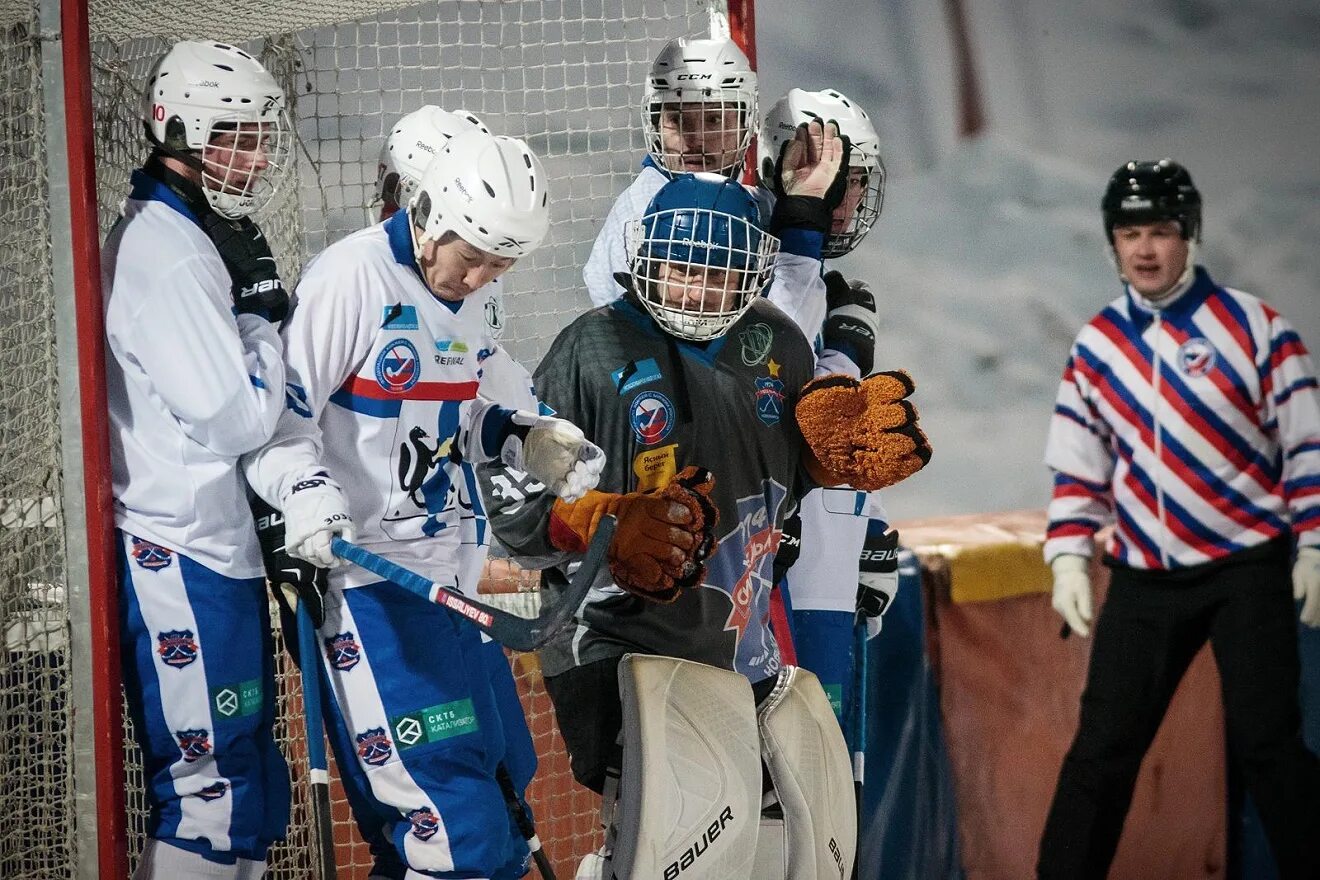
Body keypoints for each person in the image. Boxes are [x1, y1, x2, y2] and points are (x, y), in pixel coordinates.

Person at [484, 172, 931, 877]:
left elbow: (778, 488)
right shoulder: (588, 353)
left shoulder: (779, 347)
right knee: (671, 851)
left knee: (782, 855)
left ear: (750, 273)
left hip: (738, 650)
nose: (695, 290)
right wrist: (599, 519)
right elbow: (511, 512)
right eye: (681, 268)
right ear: (646, 260)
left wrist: (829, 466)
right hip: (616, 649)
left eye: (717, 274)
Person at [243, 128, 605, 880]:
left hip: (450, 579)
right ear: (429, 214)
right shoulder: (352, 280)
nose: (480, 279)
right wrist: (304, 493)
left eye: (499, 265)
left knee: (504, 809)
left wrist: (523, 438)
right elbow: (279, 420)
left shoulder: (471, 296)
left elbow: (460, 416)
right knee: (453, 830)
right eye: (471, 257)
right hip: (372, 581)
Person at [1038, 158, 1320, 880]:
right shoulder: (1097, 345)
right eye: (1130, 232)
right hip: (1145, 576)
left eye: (1160, 230)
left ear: (1188, 235)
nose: (1145, 249)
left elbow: (1307, 444)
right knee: (1102, 750)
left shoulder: (1257, 328)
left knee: (1269, 748)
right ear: (1112, 242)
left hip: (1245, 567)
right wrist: (1068, 554)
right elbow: (1078, 465)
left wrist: (1315, 543)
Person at [103, 39, 294, 878]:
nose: (250, 159)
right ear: (174, 130)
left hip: (214, 546)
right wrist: (261, 323)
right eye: (232, 137)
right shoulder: (171, 249)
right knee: (212, 791)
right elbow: (237, 415)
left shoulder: (191, 232)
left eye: (258, 138)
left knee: (247, 789)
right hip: (180, 549)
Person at [756, 88, 901, 726]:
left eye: (858, 184)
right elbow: (780, 402)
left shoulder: (807, 270)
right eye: (842, 183)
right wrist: (844, 359)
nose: (850, 204)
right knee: (782, 774)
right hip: (771, 564)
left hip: (820, 551)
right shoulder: (755, 261)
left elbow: (832, 426)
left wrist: (868, 521)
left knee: (830, 780)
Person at [582, 34, 758, 306]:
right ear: (655, 125)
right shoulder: (640, 218)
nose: (693, 139)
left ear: (746, 124)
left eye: (713, 119)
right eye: (676, 119)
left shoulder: (757, 201)